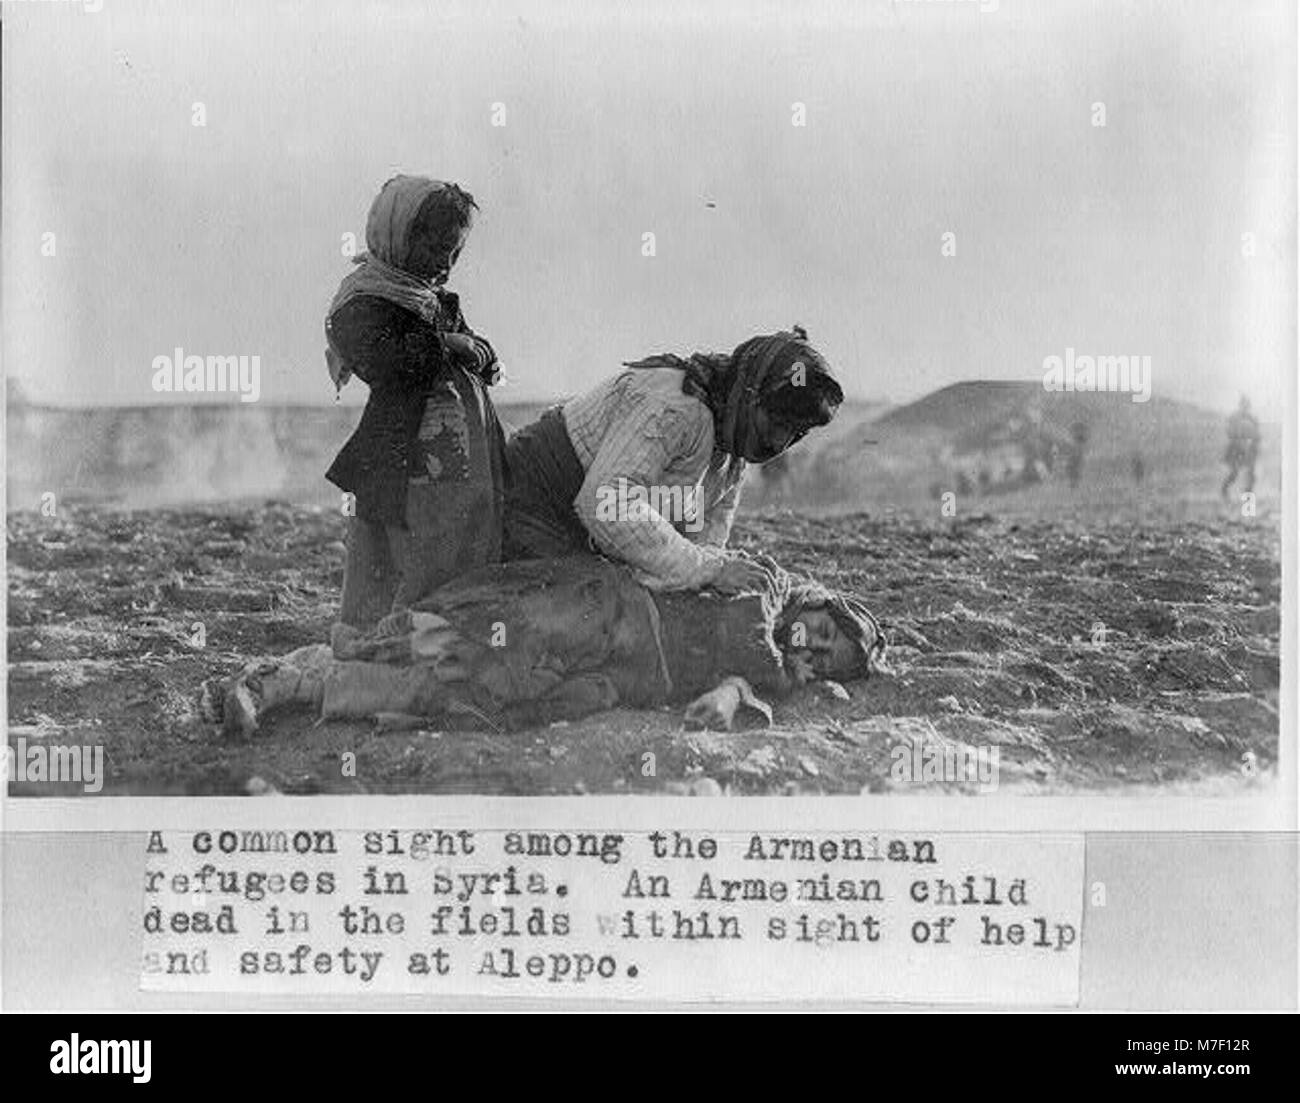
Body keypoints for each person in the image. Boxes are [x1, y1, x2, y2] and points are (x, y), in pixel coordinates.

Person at [202, 556, 885, 738]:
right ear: (817, 603)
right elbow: (748, 628)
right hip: (609, 613)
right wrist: (769, 672)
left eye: (826, 657)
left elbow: (742, 684)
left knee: (475, 693)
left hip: (620, 678)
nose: (813, 648)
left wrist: (734, 695)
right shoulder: (766, 587)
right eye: (824, 633)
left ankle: (291, 688)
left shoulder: (776, 667)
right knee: (470, 639)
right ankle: (278, 675)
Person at [501, 326, 842, 593]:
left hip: (587, 532)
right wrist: (711, 571)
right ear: (751, 395)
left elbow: (703, 540)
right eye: (779, 423)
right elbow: (606, 504)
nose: (780, 441)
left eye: (797, 433)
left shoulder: (731, 454)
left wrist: (721, 571)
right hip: (532, 501)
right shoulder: (676, 407)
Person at [325, 175, 507, 630]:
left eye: (455, 252)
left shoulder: (435, 301)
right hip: (397, 462)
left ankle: (422, 644)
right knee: (385, 565)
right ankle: (369, 656)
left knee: (450, 555)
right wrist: (447, 344)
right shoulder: (363, 302)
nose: (446, 263)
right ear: (398, 237)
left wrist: (481, 355)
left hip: (452, 464)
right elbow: (383, 360)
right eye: (436, 249)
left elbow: (466, 346)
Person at [1221, 394, 1260, 499]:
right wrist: (1239, 440)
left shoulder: (1252, 419)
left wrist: (1252, 444)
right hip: (1236, 450)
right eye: (1244, 405)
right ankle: (1224, 492)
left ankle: (1247, 503)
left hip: (1248, 450)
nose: (1245, 407)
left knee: (1251, 476)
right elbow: (1229, 432)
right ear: (1240, 405)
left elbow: (1257, 435)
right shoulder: (1234, 417)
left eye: (1247, 405)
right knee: (1234, 473)